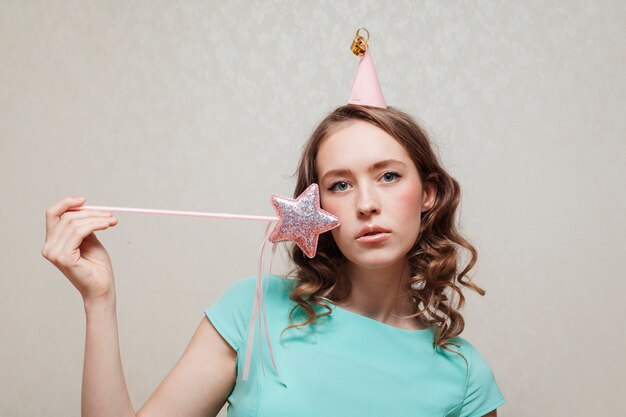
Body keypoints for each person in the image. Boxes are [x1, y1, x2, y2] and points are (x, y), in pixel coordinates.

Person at [42, 32, 505, 417]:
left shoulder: (465, 377)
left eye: (388, 176)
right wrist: (98, 299)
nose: (366, 204)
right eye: (340, 185)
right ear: (316, 203)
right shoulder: (255, 309)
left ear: (428, 192)